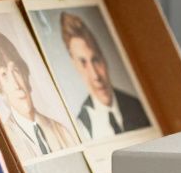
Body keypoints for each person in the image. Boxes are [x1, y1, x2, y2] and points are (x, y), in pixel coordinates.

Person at [0, 28, 78, 162]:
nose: (16, 84)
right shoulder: (5, 142)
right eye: (4, 75)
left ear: (24, 73)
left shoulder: (62, 132)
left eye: (15, 70)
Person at [59, 12, 150, 140]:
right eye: (83, 63)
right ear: (75, 65)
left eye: (95, 60)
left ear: (103, 58)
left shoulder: (138, 107)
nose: (95, 75)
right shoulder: (82, 125)